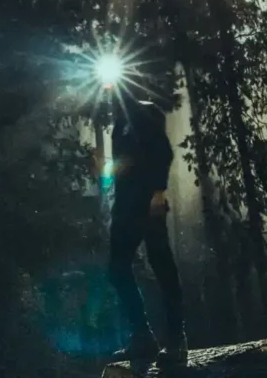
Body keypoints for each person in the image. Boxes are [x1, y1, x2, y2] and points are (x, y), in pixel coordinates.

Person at [104, 89, 187, 365]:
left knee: (162, 266)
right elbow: (124, 165)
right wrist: (106, 174)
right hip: (125, 207)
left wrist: (159, 191)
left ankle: (176, 340)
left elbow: (163, 152)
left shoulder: (146, 112)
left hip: (149, 204)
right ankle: (142, 337)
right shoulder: (119, 125)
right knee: (117, 269)